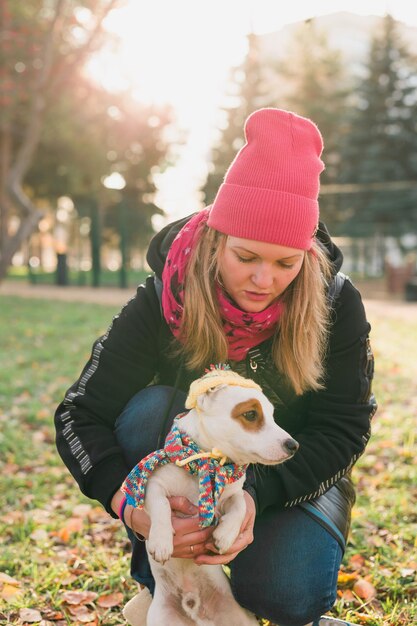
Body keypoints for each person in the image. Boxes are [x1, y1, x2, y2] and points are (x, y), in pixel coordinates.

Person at [55, 108, 376, 626]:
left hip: (287, 473)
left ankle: (240, 592)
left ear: (307, 257)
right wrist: (126, 500)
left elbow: (345, 427)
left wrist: (252, 497)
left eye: (285, 263)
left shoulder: (338, 305)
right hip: (182, 481)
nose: (264, 279)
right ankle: (162, 584)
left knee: (290, 594)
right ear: (216, 239)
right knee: (149, 409)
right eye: (246, 256)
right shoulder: (163, 297)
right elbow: (78, 414)